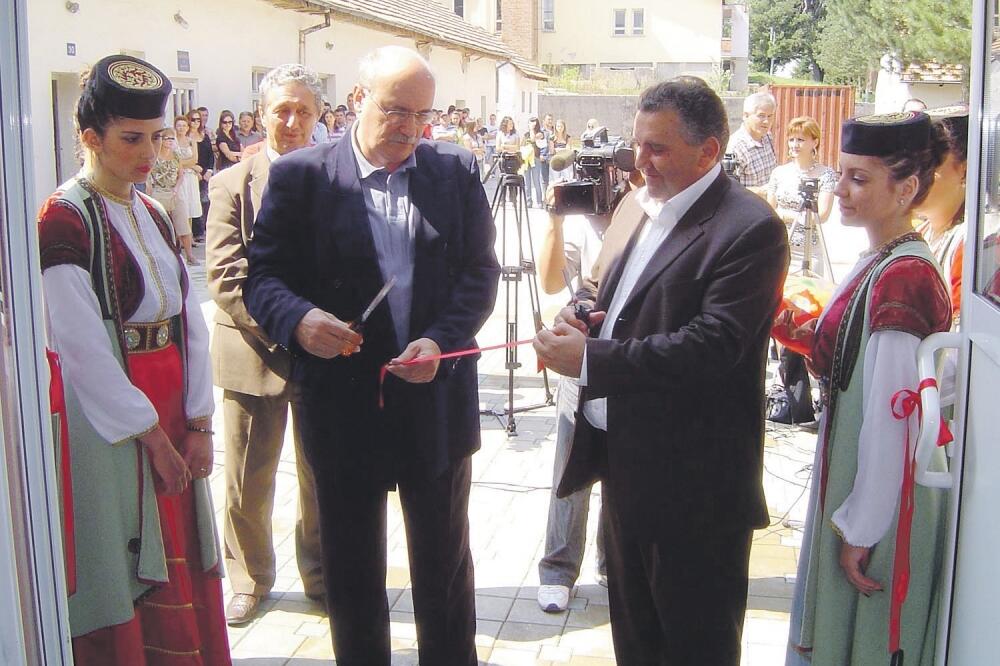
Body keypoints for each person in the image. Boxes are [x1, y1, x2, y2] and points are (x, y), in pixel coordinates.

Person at [244, 45, 499, 665]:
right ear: (357, 101)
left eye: (422, 115)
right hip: (343, 403)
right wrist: (300, 320)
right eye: (394, 112)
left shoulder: (455, 171)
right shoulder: (302, 176)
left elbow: (479, 275)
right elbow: (263, 279)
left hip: (433, 399)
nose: (409, 130)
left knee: (442, 567)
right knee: (353, 572)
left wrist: (442, 341)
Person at [533, 76, 789, 665]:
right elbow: (603, 287)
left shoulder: (750, 229)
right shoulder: (634, 205)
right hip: (625, 469)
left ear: (709, 152)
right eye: (637, 144)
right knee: (637, 639)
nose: (639, 161)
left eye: (657, 149)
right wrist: (581, 315)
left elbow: (711, 346)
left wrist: (591, 358)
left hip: (696, 488)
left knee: (694, 644)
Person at [37, 54, 230, 665]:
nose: (148, 153)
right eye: (131, 138)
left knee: (180, 535)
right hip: (113, 420)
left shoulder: (148, 209)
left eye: (157, 137)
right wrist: (153, 439)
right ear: (89, 137)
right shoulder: (63, 221)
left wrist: (198, 423)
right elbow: (80, 348)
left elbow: (188, 322)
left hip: (170, 400)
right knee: (121, 545)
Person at [780, 111, 952, 665]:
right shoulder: (886, 260)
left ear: (905, 189)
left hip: (876, 500)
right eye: (842, 175)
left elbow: (893, 419)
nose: (842, 191)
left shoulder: (903, 276)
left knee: (861, 641)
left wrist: (864, 527)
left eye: (860, 179)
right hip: (855, 481)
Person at [205, 63, 327, 626]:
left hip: (325, 360)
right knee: (247, 481)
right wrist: (291, 327)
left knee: (322, 475)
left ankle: (324, 576)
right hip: (253, 354)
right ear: (260, 114)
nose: (292, 120)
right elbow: (226, 277)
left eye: (303, 110)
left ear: (319, 116)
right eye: (281, 109)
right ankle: (248, 578)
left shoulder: (337, 179)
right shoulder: (231, 183)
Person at [765, 116, 837, 425]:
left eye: (801, 139)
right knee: (785, 314)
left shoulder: (827, 175)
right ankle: (792, 395)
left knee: (814, 314)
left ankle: (821, 387)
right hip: (785, 248)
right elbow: (768, 209)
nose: (795, 145)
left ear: (815, 142)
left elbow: (821, 213)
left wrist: (794, 211)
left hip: (812, 246)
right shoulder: (780, 173)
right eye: (792, 139)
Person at [915, 106, 968, 327]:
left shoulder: (971, 246)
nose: (916, 175)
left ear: (964, 172)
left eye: (930, 165)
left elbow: (959, 340)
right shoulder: (920, 233)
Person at [728, 91, 778, 195]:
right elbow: (730, 190)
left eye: (770, 116)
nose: (766, 121)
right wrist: (763, 190)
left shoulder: (767, 137)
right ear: (745, 116)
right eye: (761, 115)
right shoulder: (735, 147)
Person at [173, 114, 204, 262]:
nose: (181, 128)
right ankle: (179, 241)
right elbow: (174, 160)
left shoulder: (192, 141)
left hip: (191, 177)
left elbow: (195, 159)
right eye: (179, 125)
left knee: (191, 208)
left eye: (184, 125)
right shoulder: (172, 142)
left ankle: (189, 239)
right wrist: (189, 165)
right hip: (179, 177)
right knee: (181, 207)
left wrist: (190, 164)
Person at [187, 107, 213, 242]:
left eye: (198, 119)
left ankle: (201, 230)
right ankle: (192, 233)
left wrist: (208, 171)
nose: (196, 122)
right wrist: (195, 169)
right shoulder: (185, 137)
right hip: (191, 173)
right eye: (193, 119)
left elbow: (210, 156)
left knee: (204, 201)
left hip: (204, 174)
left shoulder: (205, 136)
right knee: (191, 202)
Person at [522, 116, 546, 207]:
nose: (531, 124)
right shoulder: (526, 134)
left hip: (535, 159)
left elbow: (533, 139)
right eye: (530, 122)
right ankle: (528, 200)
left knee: (536, 181)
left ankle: (539, 201)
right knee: (527, 181)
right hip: (526, 159)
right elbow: (522, 144)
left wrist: (532, 129)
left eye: (533, 123)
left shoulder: (540, 133)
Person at [550, 118, 573, 183]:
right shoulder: (552, 138)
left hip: (565, 161)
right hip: (556, 161)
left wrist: (558, 150)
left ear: (564, 127)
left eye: (561, 126)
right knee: (556, 180)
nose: (559, 128)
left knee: (567, 178)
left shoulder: (568, 137)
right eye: (558, 126)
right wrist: (562, 150)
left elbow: (568, 150)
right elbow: (552, 151)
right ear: (555, 127)